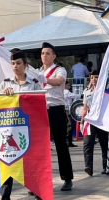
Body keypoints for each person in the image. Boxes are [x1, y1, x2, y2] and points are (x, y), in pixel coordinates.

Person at [0, 48, 42, 200]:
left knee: (32, 162)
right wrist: (3, 94)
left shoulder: (34, 84)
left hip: (28, 130)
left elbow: (41, 105)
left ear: (26, 65)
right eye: (13, 63)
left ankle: (37, 191)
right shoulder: (5, 84)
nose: (15, 66)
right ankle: (5, 196)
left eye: (19, 63)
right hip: (10, 130)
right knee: (8, 160)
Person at [37, 42, 74, 191]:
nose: (44, 56)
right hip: (40, 111)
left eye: (47, 53)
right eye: (42, 53)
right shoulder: (38, 71)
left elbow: (58, 81)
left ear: (54, 56)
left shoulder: (60, 70)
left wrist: (43, 79)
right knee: (40, 147)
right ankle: (39, 180)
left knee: (60, 145)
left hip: (56, 110)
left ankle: (67, 178)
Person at [80, 71, 109, 176]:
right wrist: (82, 120)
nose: (94, 79)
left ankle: (106, 166)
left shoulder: (105, 91)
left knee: (104, 143)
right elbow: (85, 107)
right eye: (92, 77)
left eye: (96, 77)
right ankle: (88, 166)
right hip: (89, 119)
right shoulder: (87, 91)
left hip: (101, 119)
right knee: (87, 143)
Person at [64, 81, 80, 147]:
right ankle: (68, 141)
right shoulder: (66, 92)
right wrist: (81, 94)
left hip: (65, 109)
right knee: (70, 125)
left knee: (68, 125)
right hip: (67, 109)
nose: (69, 86)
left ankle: (69, 141)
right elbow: (76, 96)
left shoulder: (63, 92)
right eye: (68, 85)